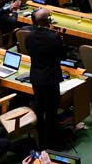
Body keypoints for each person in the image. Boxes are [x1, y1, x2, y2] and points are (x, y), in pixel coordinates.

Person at [26, 8, 65, 149]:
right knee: (51, 111)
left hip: (36, 77)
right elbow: (63, 56)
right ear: (47, 20)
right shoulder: (54, 37)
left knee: (39, 107)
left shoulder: (28, 36)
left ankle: (40, 139)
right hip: (50, 78)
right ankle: (51, 142)